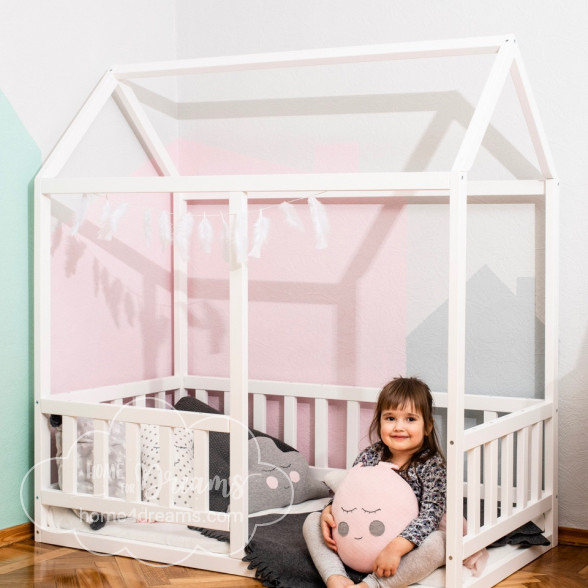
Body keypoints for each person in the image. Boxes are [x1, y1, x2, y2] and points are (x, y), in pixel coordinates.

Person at [303, 377, 447, 588]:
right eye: (390, 418)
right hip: (353, 538)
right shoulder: (370, 456)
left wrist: (397, 547)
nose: (399, 427)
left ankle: (373, 584)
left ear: (427, 426)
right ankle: (335, 575)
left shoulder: (431, 465)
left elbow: (430, 514)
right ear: (379, 421)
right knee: (313, 522)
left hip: (401, 547)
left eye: (410, 419)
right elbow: (348, 493)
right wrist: (329, 511)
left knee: (440, 543)